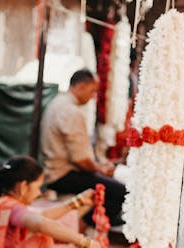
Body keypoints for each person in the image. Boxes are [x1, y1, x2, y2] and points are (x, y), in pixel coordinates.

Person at [41, 68, 127, 228]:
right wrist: (100, 169)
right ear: (81, 86)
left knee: (112, 185)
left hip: (57, 171)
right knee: (121, 191)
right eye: (92, 91)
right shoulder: (71, 111)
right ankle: (85, 222)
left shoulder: (58, 102)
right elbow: (80, 159)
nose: (93, 97)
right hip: (63, 175)